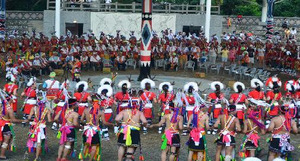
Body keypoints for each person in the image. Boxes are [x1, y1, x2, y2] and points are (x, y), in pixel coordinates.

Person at [115, 97, 148, 161]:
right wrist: (144, 125)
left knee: (122, 146)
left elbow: (117, 119)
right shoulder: (139, 113)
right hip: (134, 130)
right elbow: (144, 121)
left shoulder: (124, 111)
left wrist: (119, 124)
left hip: (124, 130)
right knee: (131, 146)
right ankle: (128, 159)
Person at [79, 96, 111, 161]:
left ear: (91, 102)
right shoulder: (100, 111)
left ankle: (82, 159)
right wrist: (112, 125)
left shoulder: (86, 110)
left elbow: (81, 120)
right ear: (98, 102)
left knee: (85, 144)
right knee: (94, 146)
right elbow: (104, 123)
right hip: (95, 130)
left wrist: (85, 124)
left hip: (87, 130)